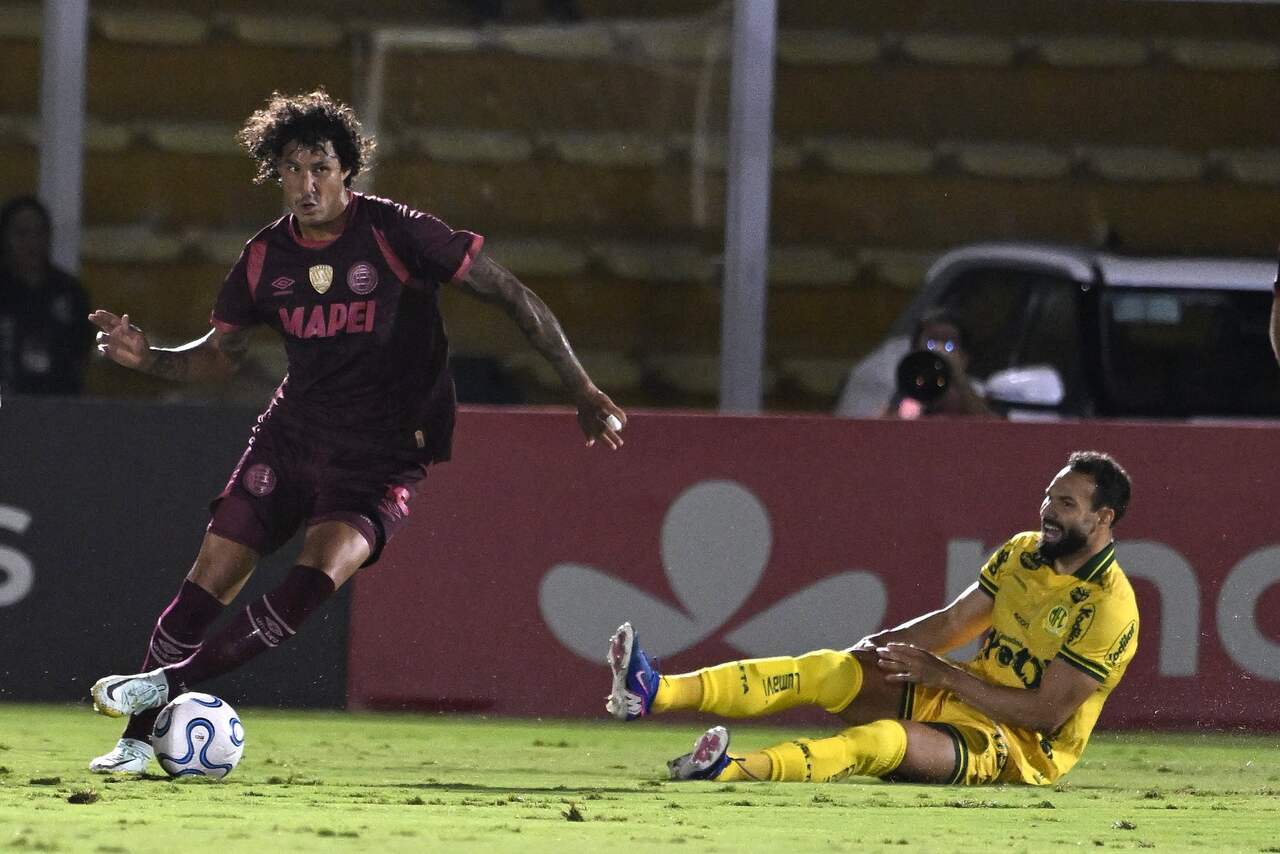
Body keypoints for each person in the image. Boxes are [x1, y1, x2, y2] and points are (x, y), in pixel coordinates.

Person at [85, 89, 626, 773]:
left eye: (320, 168)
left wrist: (579, 386)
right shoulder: (264, 257)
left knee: (315, 578)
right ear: (276, 174)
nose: (306, 186)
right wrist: (150, 358)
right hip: (293, 437)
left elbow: (511, 294)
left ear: (347, 171)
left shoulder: (398, 233)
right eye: (291, 169)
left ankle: (166, 686)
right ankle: (136, 740)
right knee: (208, 579)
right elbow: (221, 356)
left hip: (383, 454)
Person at [607, 451, 1137, 786]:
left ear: (1103, 518)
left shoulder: (1109, 606)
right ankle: (653, 692)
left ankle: (728, 769)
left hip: (1015, 748)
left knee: (880, 741)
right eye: (1048, 496)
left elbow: (1045, 713)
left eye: (1066, 504)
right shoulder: (1023, 552)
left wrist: (945, 675)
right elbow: (952, 624)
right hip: (961, 693)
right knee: (829, 669)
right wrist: (878, 646)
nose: (1047, 510)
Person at [0, 195, 92, 397]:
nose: (32, 242)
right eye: (22, 233)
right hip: (7, 402)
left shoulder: (69, 291)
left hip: (60, 402)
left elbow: (82, 353)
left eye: (39, 233)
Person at [884, 308, 994, 419]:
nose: (939, 349)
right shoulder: (909, 389)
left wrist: (958, 376)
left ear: (965, 356)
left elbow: (989, 422)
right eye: (931, 343)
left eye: (949, 346)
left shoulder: (976, 390)